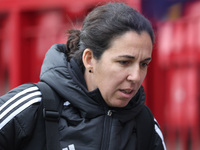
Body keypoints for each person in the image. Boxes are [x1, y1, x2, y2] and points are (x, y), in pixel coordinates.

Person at [0, 2, 166, 150]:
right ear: (89, 59)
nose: (136, 77)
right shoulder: (32, 105)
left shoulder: (146, 126)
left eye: (144, 64)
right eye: (124, 62)